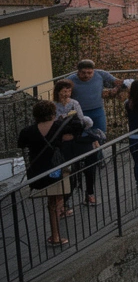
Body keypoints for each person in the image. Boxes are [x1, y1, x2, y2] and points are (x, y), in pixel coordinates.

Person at [17, 100, 76, 247]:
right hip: (56, 171)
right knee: (56, 201)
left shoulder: (27, 131)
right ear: (52, 113)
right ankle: (56, 235)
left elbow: (21, 144)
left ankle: (55, 234)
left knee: (52, 202)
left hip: (37, 172)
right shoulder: (59, 127)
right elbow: (76, 131)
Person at [52, 79, 98, 207]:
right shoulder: (54, 105)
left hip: (76, 138)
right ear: (58, 92)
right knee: (68, 171)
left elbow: (81, 120)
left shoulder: (74, 103)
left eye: (69, 91)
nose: (67, 94)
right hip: (63, 141)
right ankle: (64, 201)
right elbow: (53, 124)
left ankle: (90, 193)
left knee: (89, 166)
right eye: (64, 91)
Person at [65, 59, 120, 135]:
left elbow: (119, 83)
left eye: (89, 73)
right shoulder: (70, 80)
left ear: (93, 71)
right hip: (79, 112)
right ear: (78, 71)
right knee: (82, 135)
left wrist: (114, 90)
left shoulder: (101, 75)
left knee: (101, 134)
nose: (86, 75)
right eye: (83, 73)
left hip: (98, 111)